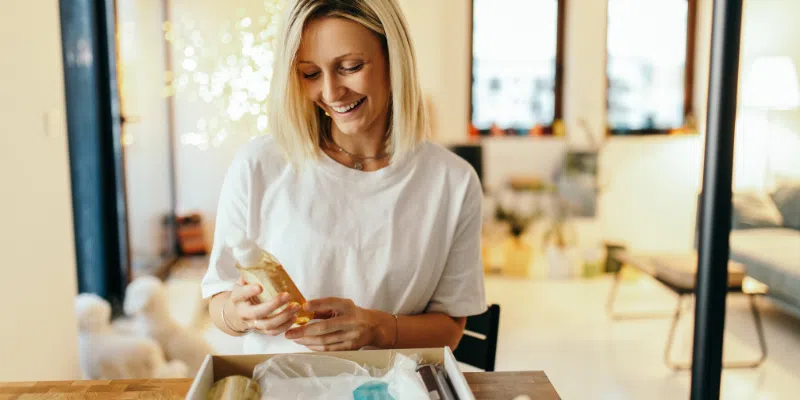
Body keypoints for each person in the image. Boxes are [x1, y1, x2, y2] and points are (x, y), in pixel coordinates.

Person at [202, 0, 486, 355]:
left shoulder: (453, 183)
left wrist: (379, 329)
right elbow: (218, 301)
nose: (332, 93)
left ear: (392, 59)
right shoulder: (258, 165)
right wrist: (241, 315)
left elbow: (450, 329)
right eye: (310, 74)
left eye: (350, 67)